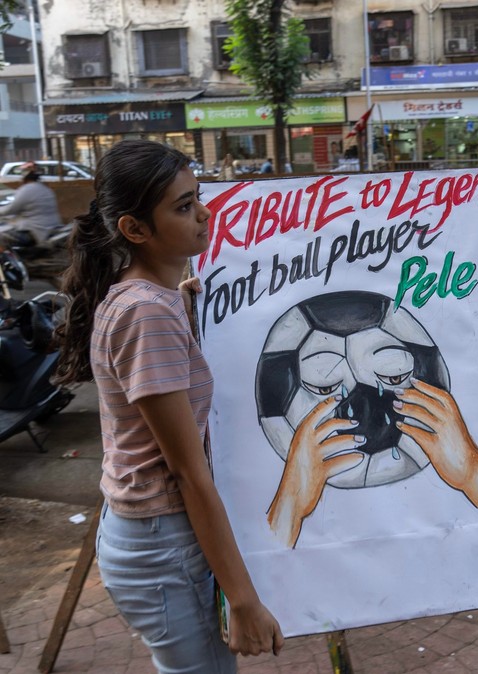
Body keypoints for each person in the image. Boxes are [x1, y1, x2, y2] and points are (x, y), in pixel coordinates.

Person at [54, 140, 283, 673]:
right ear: (135, 230)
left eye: (198, 197)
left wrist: (178, 305)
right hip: (162, 543)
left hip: (150, 535)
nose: (205, 213)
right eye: (183, 207)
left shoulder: (147, 299)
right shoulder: (145, 314)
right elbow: (187, 472)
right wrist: (243, 599)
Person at [0, 169, 63, 249]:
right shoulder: (46, 189)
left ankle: (13, 260)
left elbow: (10, 209)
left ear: (25, 179)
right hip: (52, 226)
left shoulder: (26, 190)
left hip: (35, 231)